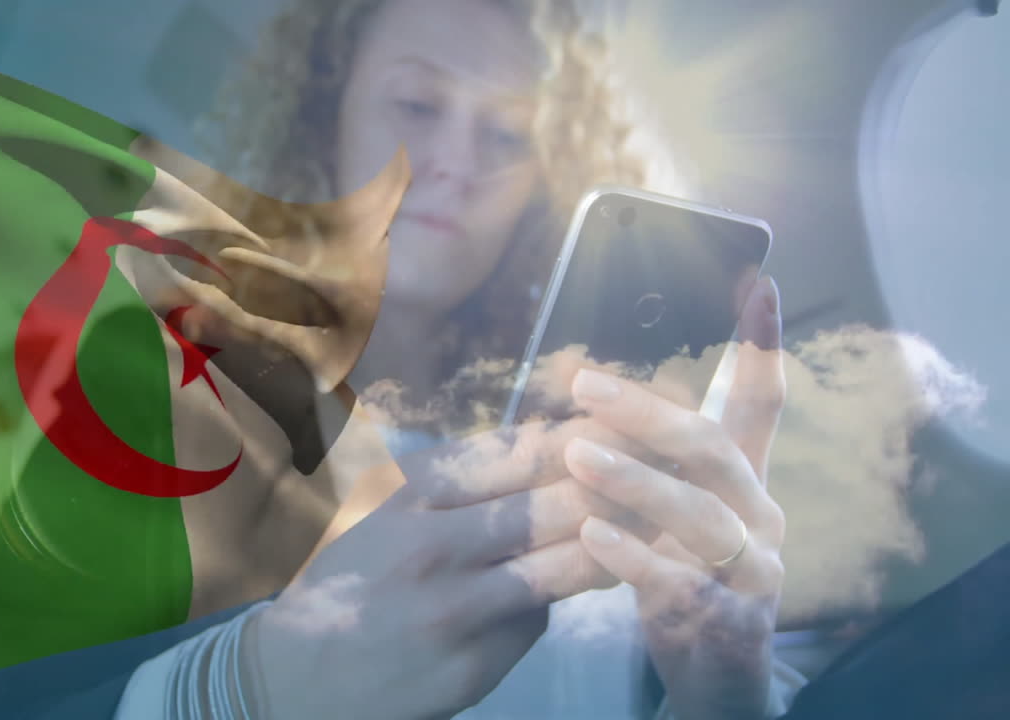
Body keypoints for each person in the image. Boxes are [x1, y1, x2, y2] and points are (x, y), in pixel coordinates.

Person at [107, 0, 796, 718]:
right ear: (324, 112)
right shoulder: (161, 398)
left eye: (506, 134)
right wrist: (249, 686)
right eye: (416, 104)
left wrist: (723, 696)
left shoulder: (593, 454)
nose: (458, 164)